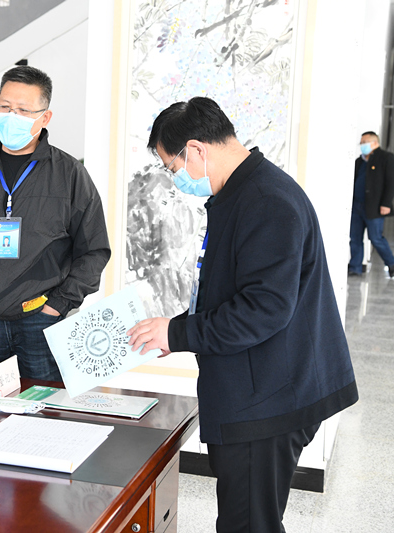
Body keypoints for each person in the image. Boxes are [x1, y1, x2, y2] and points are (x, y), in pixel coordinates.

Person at [127, 97, 358, 533]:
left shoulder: (266, 201)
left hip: (268, 398)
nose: (176, 179)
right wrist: (176, 329)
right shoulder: (243, 193)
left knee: (248, 525)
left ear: (196, 150)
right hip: (261, 387)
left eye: (172, 167)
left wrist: (177, 334)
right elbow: (233, 290)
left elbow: (262, 310)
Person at [0, 66, 111, 391]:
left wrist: (59, 305)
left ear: (45, 117)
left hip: (41, 317)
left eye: (23, 110)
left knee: (45, 409)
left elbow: (94, 250)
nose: (11, 117)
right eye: (4, 107)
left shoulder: (69, 175)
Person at [348, 131, 394, 277]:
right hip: (357, 205)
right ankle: (355, 267)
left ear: (374, 143)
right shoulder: (359, 161)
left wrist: (386, 203)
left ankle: (391, 264)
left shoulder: (386, 158)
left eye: (365, 142)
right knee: (355, 238)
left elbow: (391, 183)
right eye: (361, 143)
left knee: (376, 238)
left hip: (375, 207)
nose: (362, 145)